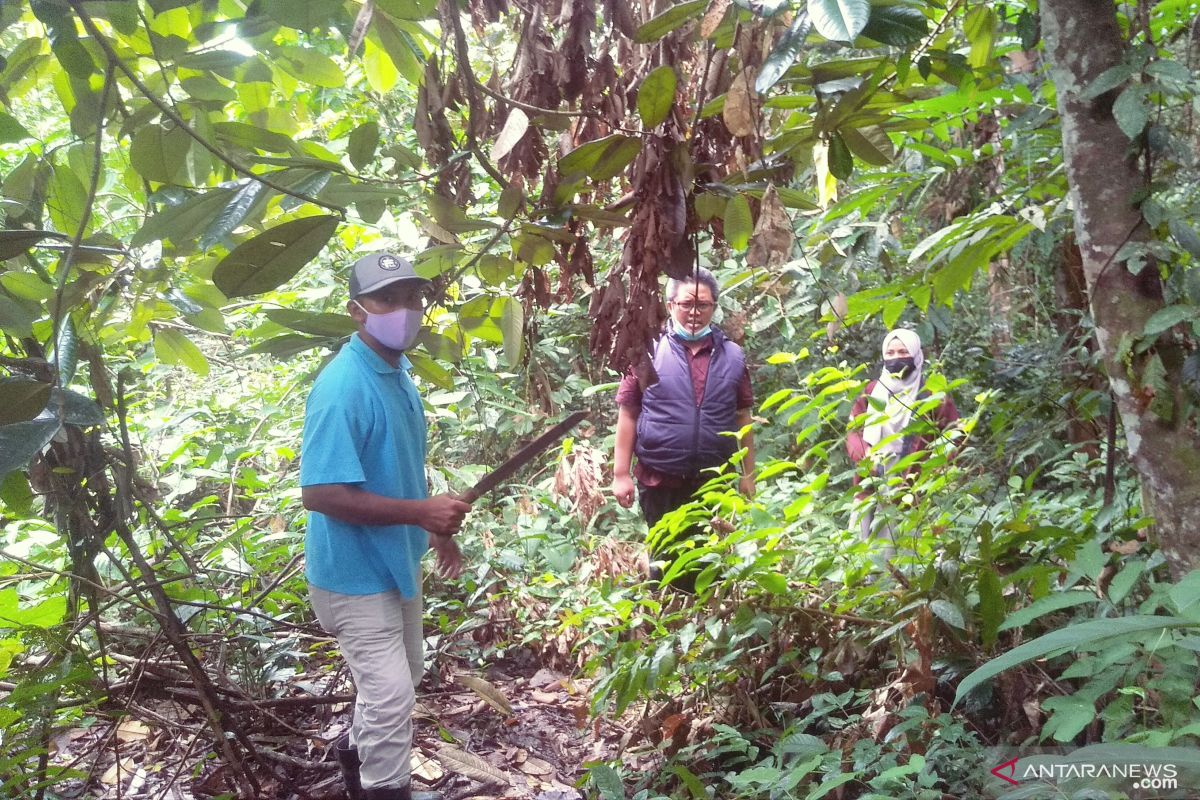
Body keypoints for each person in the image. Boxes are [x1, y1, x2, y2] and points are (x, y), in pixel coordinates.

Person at [300, 252, 471, 800]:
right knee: (392, 693)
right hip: (353, 575)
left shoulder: (397, 375)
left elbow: (399, 467)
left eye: (413, 299)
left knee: (404, 677)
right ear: (357, 311)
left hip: (397, 560)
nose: (405, 311)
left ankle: (356, 765)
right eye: (387, 300)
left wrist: (434, 528)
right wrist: (420, 514)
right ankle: (384, 790)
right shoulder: (343, 387)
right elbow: (320, 493)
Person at [611, 267, 755, 586]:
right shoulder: (647, 350)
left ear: (714, 308)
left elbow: (743, 417)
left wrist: (748, 475)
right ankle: (667, 625)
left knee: (710, 563)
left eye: (702, 305)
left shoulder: (732, 356)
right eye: (686, 304)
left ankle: (704, 626)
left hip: (713, 480)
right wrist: (620, 473)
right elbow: (629, 412)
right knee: (666, 560)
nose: (694, 312)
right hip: (660, 478)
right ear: (671, 305)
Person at [845, 328, 958, 555]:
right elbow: (854, 429)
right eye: (891, 352)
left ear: (916, 355)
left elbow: (954, 434)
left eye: (903, 351)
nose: (897, 357)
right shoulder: (872, 391)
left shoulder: (932, 395)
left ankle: (898, 582)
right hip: (873, 469)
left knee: (902, 531)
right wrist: (865, 455)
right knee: (864, 524)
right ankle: (862, 580)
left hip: (912, 472)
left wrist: (938, 468)